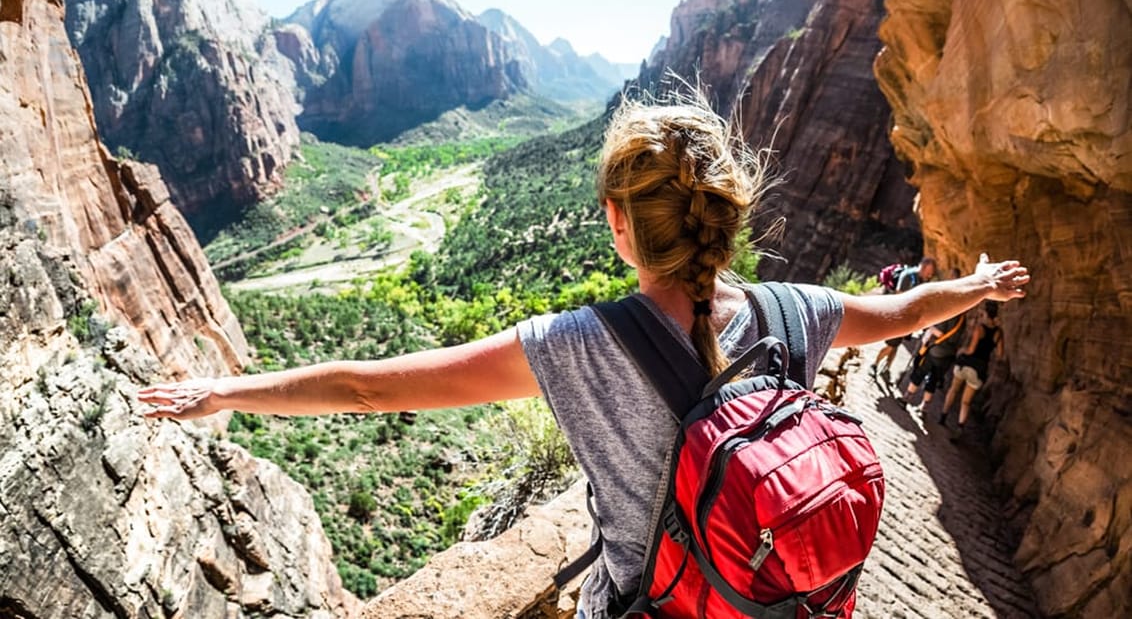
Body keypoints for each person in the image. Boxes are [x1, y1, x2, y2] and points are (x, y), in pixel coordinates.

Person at [138, 93, 1030, 619]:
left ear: (617, 227)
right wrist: (980, 285)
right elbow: (903, 310)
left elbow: (371, 388)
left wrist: (227, 391)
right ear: (728, 213)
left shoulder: (579, 345)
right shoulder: (798, 312)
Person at [940, 300, 1005, 441]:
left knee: (953, 389)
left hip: (967, 364)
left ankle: (943, 416)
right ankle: (960, 426)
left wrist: (961, 350)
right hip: (980, 369)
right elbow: (1000, 355)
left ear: (985, 313)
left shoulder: (979, 328)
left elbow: (971, 350)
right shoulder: (999, 333)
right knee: (966, 402)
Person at [902, 268, 966, 407]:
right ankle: (924, 407)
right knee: (934, 379)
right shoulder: (962, 314)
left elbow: (940, 332)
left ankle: (907, 397)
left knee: (920, 371)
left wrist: (929, 327)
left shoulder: (948, 308)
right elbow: (958, 336)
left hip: (935, 349)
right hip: (948, 353)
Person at [870, 256, 937, 382]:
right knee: (891, 344)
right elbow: (899, 295)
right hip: (899, 317)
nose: (930, 275)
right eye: (929, 272)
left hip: (908, 320)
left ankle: (886, 368)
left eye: (931, 273)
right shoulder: (908, 276)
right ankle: (874, 365)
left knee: (896, 345)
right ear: (922, 267)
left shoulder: (923, 281)